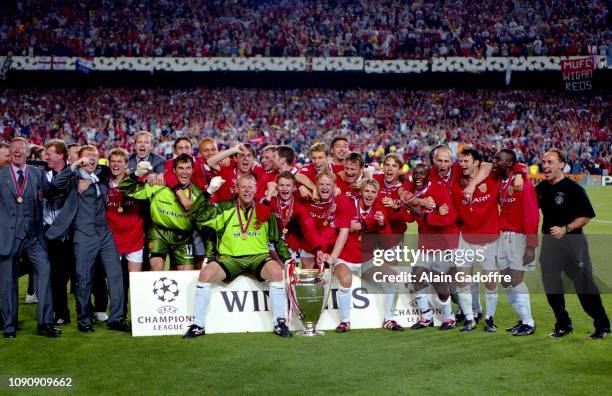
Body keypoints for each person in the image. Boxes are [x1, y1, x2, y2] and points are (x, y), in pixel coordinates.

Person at [183, 174, 292, 339]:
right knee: (205, 274)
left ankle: (279, 322)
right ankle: (198, 325)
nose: (247, 190)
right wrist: (208, 192)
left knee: (277, 272)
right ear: (236, 189)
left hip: (258, 257)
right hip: (230, 258)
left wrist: (288, 259)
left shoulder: (264, 210)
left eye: (250, 187)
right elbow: (195, 214)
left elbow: (276, 239)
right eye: (243, 187)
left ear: (256, 190)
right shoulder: (224, 208)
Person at [46, 145, 130, 333]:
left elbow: (124, 168)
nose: (92, 159)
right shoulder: (72, 178)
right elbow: (56, 185)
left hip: (104, 233)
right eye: (87, 156)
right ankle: (84, 320)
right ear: (80, 159)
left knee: (116, 275)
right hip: (83, 234)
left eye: (95, 156)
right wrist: (75, 166)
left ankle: (116, 318)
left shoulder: (102, 174)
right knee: (83, 279)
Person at [536, 148, 610, 339]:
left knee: (584, 286)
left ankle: (602, 325)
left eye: (550, 162)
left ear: (561, 164)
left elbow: (586, 215)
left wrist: (566, 229)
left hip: (573, 242)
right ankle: (563, 324)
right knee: (551, 284)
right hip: (550, 243)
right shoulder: (541, 189)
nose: (545, 166)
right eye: (544, 162)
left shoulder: (574, 188)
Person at [0, 137, 59, 338]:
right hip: (9, 238)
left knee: (45, 272)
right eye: (13, 148)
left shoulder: (37, 173)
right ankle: (9, 325)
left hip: (34, 237)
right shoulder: (0, 175)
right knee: (8, 283)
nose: (17, 151)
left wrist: (67, 171)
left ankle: (45, 323)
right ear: (10, 152)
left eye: (21, 148)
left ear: (27, 153)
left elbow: (52, 193)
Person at [120, 154, 203, 271]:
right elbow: (124, 188)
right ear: (174, 170)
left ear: (192, 170)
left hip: (183, 236)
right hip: (158, 232)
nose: (184, 172)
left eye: (188, 168)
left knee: (187, 275)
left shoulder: (198, 194)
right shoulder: (157, 185)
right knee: (156, 272)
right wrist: (136, 174)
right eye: (181, 168)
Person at [452, 148, 501, 332]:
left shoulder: (491, 178)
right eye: (461, 161)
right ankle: (469, 318)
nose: (462, 164)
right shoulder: (457, 182)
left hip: (489, 238)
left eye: (466, 161)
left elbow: (492, 164)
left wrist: (473, 186)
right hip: (466, 237)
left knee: (490, 281)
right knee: (462, 279)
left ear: (477, 163)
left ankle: (489, 318)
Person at [405, 164, 457, 331]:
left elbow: (447, 219)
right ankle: (426, 317)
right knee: (417, 275)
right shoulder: (413, 192)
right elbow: (410, 218)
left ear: (429, 176)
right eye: (416, 173)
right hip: (425, 243)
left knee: (438, 279)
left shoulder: (439, 189)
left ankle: (449, 317)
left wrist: (426, 215)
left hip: (442, 243)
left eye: (423, 173)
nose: (419, 176)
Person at [493, 149, 539, 336]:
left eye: (499, 159)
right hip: (503, 237)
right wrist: (520, 170)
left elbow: (532, 215)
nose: (494, 161)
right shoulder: (502, 182)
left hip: (519, 237)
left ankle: (529, 322)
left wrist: (530, 245)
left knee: (517, 280)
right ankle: (522, 317)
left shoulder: (523, 185)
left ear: (510, 163)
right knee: (506, 281)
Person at [106, 148, 145, 316]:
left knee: (135, 282)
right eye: (112, 161)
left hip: (134, 237)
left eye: (119, 161)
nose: (116, 165)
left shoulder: (136, 182)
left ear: (126, 164)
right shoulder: (103, 182)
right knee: (116, 281)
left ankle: (137, 317)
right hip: (112, 239)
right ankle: (119, 314)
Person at [42, 139, 74, 325]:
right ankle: (61, 312)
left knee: (79, 275)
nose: (46, 157)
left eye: (50, 153)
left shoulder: (75, 174)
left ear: (61, 155)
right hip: (50, 232)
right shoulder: (42, 174)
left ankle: (90, 310)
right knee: (57, 275)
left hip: (71, 232)